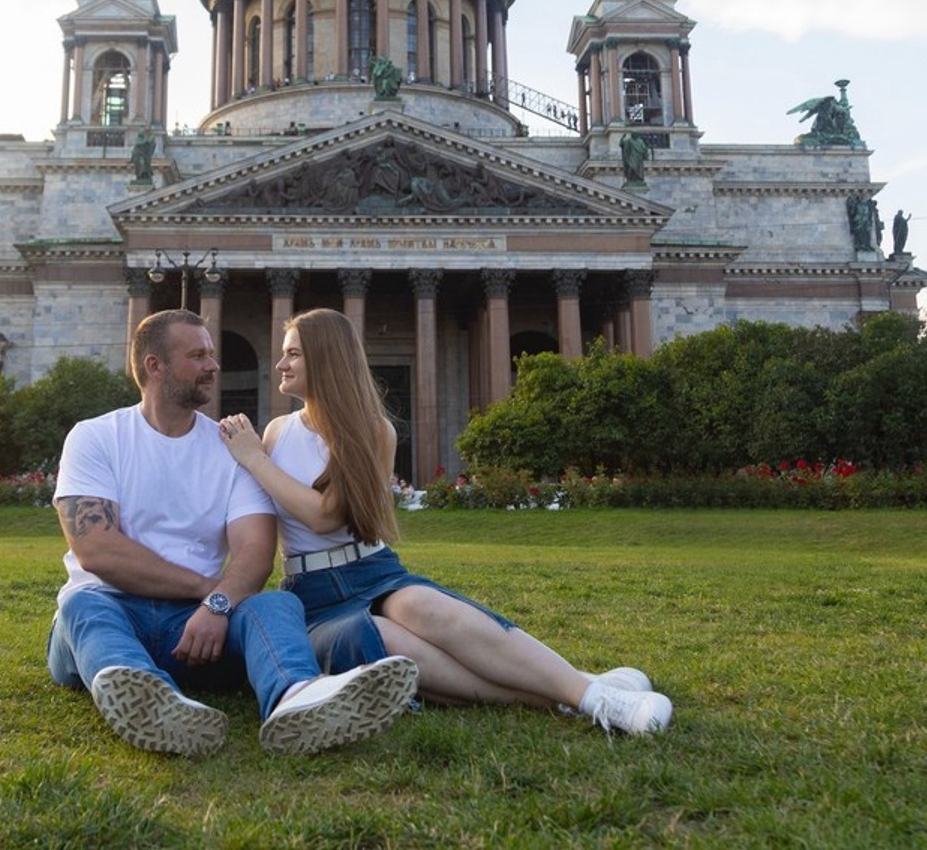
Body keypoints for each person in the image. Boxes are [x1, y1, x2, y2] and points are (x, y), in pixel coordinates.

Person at [218, 308, 673, 736]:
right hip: (312, 594)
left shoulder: (374, 430)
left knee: (424, 608)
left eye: (293, 352)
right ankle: (572, 691)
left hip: (371, 571)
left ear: (325, 358)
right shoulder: (278, 431)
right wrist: (255, 457)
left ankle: (598, 701)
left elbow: (325, 516)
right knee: (395, 646)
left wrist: (255, 459)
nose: (280, 363)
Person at [46, 309, 417, 758]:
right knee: (82, 602)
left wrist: (216, 606)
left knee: (277, 602)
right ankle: (146, 695)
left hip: (200, 630)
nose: (214, 366)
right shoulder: (95, 437)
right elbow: (97, 552)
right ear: (154, 366)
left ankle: (296, 696)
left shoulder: (231, 449)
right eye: (198, 355)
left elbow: (256, 551)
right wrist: (211, 594)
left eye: (213, 354)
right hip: (113, 610)